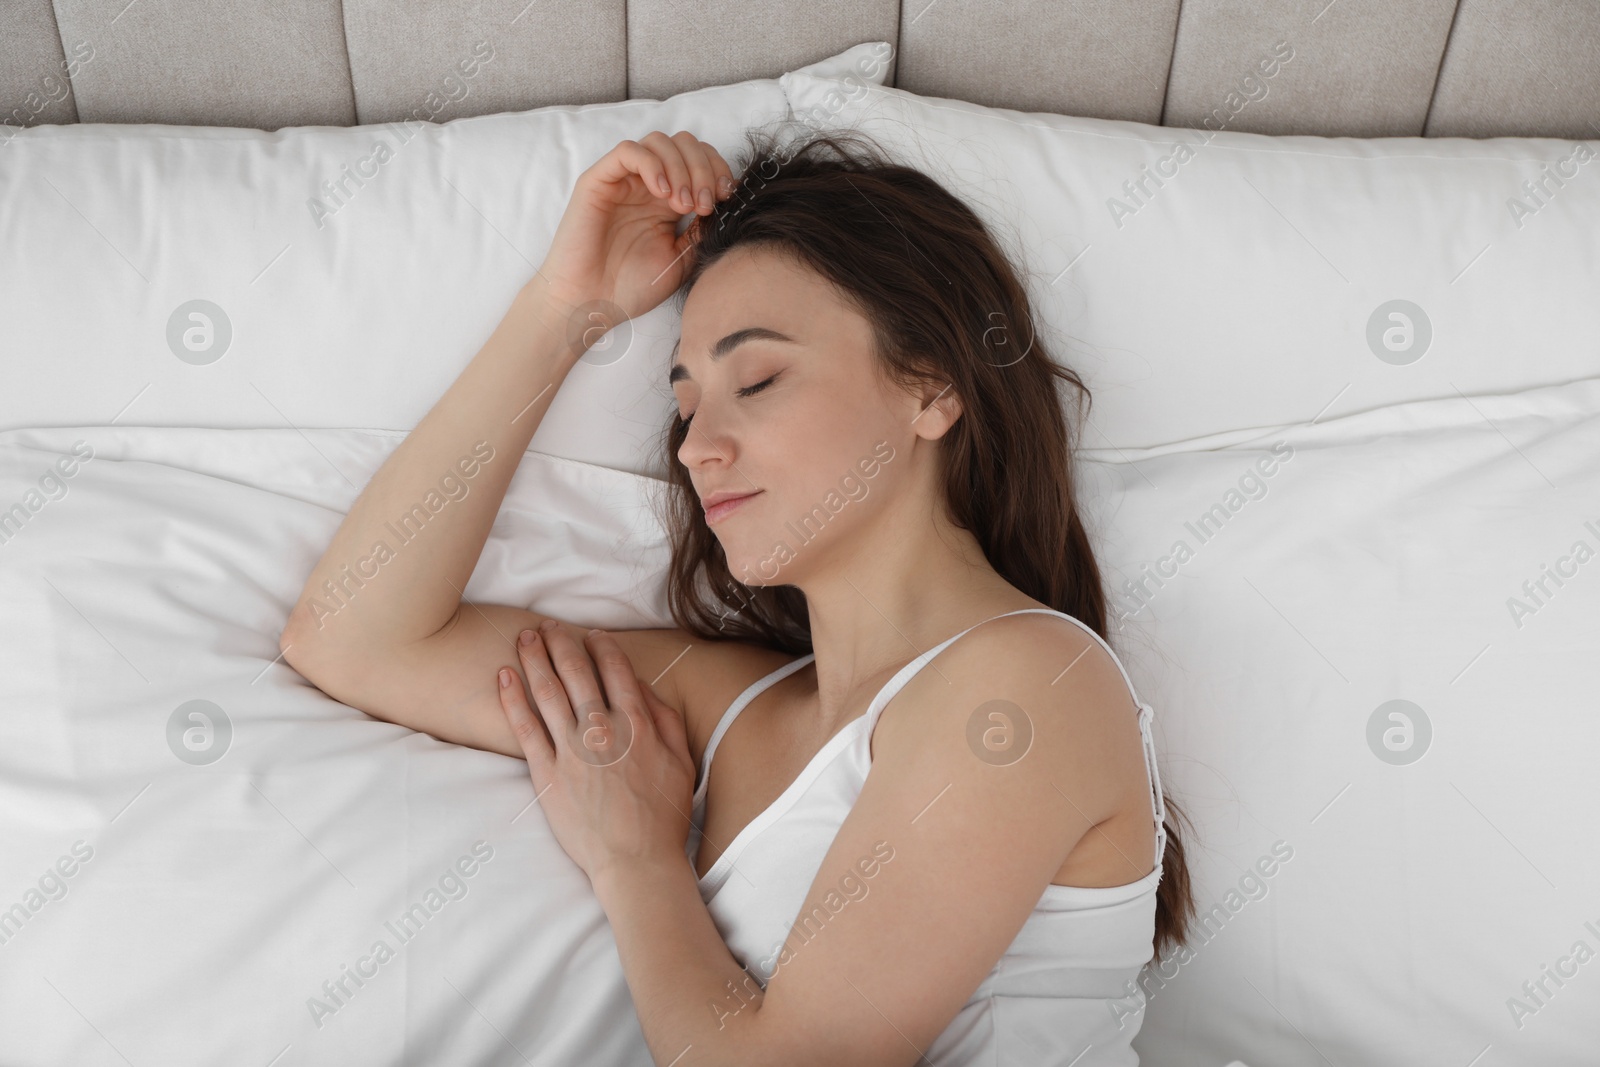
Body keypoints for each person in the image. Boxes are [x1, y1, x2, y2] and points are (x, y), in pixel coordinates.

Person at [279, 124, 1194, 1066]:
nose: (695, 446)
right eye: (684, 403)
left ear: (930, 387)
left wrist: (637, 863)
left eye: (756, 379)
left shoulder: (1027, 684)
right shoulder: (718, 707)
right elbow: (352, 635)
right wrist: (566, 309)